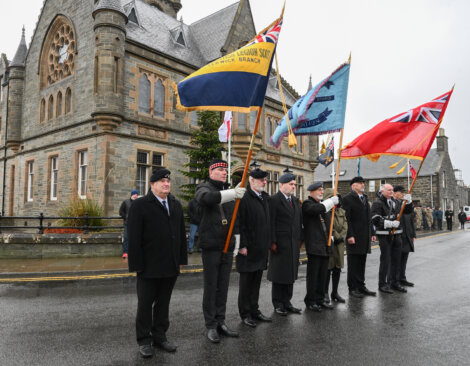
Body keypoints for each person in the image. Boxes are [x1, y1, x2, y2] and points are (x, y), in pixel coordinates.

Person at [127, 170, 187, 359]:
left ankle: (160, 336)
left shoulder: (175, 205)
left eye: (168, 181)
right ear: (152, 184)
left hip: (170, 264)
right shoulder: (140, 205)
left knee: (163, 304)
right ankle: (144, 340)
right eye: (162, 181)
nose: (166, 184)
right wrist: (136, 264)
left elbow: (180, 235)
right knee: (145, 305)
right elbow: (133, 237)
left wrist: (181, 260)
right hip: (148, 266)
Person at [194, 159, 246, 344]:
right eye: (221, 170)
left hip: (227, 245)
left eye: (226, 170)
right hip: (211, 246)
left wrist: (237, 241)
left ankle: (220, 321)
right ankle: (210, 325)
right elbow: (206, 199)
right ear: (211, 172)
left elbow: (235, 218)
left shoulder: (229, 192)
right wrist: (232, 193)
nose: (225, 173)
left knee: (223, 285)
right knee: (211, 286)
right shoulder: (204, 188)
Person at [237, 168, 272, 328]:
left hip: (260, 248)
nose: (264, 182)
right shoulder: (244, 197)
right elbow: (239, 223)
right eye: (261, 180)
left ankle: (254, 310)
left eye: (265, 179)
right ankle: (245, 313)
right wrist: (242, 245)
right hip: (248, 249)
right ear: (251, 180)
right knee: (246, 284)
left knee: (256, 282)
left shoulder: (265, 198)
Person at [268, 172, 303, 316]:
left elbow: (299, 221)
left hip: (293, 243)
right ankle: (278, 304)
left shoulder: (295, 200)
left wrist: (301, 239)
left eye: (294, 184)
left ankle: (287, 302)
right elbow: (270, 222)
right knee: (279, 275)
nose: (294, 186)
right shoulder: (274, 200)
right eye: (291, 184)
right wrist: (272, 242)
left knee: (290, 274)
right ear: (281, 185)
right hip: (280, 244)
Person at [302, 182, 338, 311]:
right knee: (313, 275)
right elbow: (315, 210)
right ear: (311, 192)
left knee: (323, 275)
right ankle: (310, 301)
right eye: (319, 190)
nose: (322, 192)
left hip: (325, 244)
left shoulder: (322, 206)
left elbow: (328, 224)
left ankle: (320, 299)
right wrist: (330, 202)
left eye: (322, 190)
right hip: (314, 245)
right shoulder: (308, 204)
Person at [371, 184, 412, 294]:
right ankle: (382, 284)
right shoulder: (377, 203)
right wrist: (388, 223)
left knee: (396, 260)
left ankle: (394, 282)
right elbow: (375, 218)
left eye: (392, 190)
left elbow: (407, 211)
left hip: (397, 235)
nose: (391, 192)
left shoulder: (396, 202)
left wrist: (409, 203)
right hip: (385, 235)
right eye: (389, 190)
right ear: (382, 191)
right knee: (385, 261)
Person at [341, 176, 376, 298]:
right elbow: (347, 219)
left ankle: (361, 285)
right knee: (353, 263)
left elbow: (368, 218)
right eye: (360, 183)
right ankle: (353, 288)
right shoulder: (347, 199)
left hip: (364, 236)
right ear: (353, 185)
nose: (363, 185)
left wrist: (372, 233)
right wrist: (349, 235)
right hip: (354, 236)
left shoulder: (365, 198)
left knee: (362, 262)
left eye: (363, 183)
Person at [323, 188, 347, 304]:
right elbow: (328, 226)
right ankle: (325, 292)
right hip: (330, 242)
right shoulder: (326, 212)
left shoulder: (341, 211)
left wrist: (341, 237)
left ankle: (335, 292)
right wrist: (337, 236)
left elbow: (345, 226)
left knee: (337, 268)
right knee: (328, 268)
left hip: (340, 244)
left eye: (338, 197)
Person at [399, 205, 416, 288]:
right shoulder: (397, 206)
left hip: (408, 236)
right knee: (396, 260)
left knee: (404, 260)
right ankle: (395, 280)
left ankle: (402, 278)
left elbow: (412, 221)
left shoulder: (408, 209)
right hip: (399, 236)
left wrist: (413, 235)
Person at [119, 189, 139, 259]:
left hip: (136, 224)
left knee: (136, 238)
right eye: (134, 194)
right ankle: (125, 252)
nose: (135, 196)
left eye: (137, 195)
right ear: (131, 195)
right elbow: (121, 211)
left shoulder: (138, 203)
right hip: (127, 223)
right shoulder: (126, 202)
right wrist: (126, 217)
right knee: (126, 237)